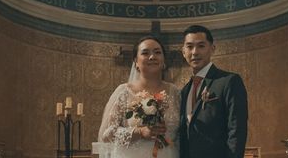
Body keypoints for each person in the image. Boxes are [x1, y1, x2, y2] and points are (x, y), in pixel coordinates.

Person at [98, 36, 181, 158]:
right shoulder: (124, 92)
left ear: (164, 60)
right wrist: (140, 132)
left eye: (157, 52)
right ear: (136, 62)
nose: (152, 57)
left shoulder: (175, 92)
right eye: (145, 53)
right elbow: (107, 135)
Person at [179, 25, 248, 158]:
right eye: (189, 47)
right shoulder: (184, 91)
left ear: (212, 49)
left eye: (201, 46)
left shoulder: (229, 81)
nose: (194, 52)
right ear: (183, 52)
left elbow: (237, 130)